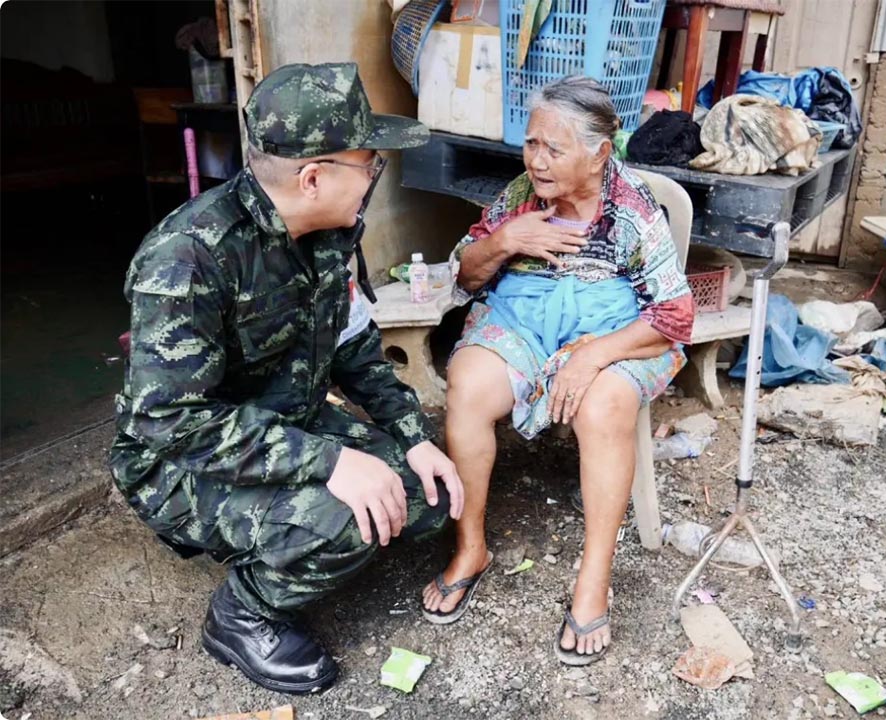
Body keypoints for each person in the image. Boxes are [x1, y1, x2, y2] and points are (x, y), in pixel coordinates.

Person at [109, 63, 464, 694]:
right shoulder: (190, 257)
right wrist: (328, 462)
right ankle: (243, 613)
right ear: (313, 178)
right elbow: (166, 421)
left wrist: (413, 436)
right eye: (368, 162)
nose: (375, 175)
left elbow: (353, 348)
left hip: (282, 420)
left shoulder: (329, 235)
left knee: (423, 495)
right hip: (181, 462)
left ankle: (287, 533)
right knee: (347, 519)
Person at [420, 76, 694, 665]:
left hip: (617, 333)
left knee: (604, 405)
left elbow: (674, 317)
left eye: (554, 149)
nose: (537, 161)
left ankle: (594, 579)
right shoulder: (520, 194)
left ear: (599, 153)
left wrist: (593, 355)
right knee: (467, 383)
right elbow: (466, 279)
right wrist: (504, 239)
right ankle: (471, 549)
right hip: (523, 323)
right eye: (531, 144)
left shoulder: (632, 212)